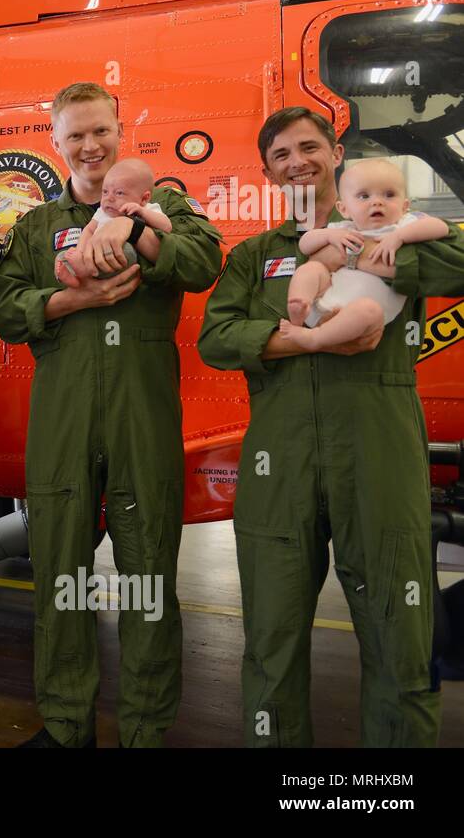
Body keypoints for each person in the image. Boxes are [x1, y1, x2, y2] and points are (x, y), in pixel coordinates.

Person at [199, 106, 464, 747]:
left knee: (399, 635)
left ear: (335, 154)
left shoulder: (400, 231)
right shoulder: (257, 256)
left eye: (309, 147)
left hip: (378, 452)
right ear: (267, 171)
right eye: (282, 154)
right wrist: (303, 343)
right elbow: (216, 336)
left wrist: (381, 255)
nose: (298, 161)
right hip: (279, 461)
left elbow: (458, 263)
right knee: (270, 637)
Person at [0, 81, 223, 749]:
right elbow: (8, 312)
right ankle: (66, 726)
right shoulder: (34, 226)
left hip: (141, 411)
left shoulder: (166, 203)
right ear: (55, 143)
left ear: (121, 134)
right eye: (76, 135)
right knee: (59, 570)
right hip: (62, 410)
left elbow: (204, 261)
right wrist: (71, 303)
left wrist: (136, 227)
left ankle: (145, 729)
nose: (91, 146)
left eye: (102, 132)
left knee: (148, 572)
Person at [279, 157, 449, 351]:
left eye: (389, 194)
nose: (377, 202)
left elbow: (440, 227)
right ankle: (299, 307)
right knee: (312, 268)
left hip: (363, 318)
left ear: (404, 206)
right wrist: (329, 235)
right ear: (344, 209)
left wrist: (400, 237)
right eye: (363, 196)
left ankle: (314, 338)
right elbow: (305, 244)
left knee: (369, 309)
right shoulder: (344, 228)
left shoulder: (404, 224)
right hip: (322, 301)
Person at [54, 158, 167, 287]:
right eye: (105, 192)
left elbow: (166, 227)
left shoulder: (148, 209)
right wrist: (80, 251)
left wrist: (141, 213)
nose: (109, 198)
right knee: (64, 255)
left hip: (118, 258)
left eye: (119, 193)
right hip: (92, 253)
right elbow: (89, 230)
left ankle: (82, 270)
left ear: (144, 198)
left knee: (126, 250)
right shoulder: (102, 212)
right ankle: (76, 275)